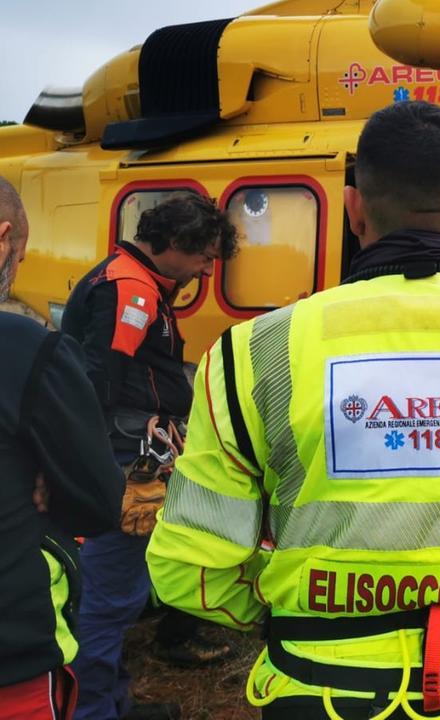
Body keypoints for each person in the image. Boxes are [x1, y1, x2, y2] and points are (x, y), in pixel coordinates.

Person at [146, 101, 440, 719]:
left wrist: (294, 602)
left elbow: (191, 568)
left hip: (319, 686)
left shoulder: (251, 354)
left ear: (352, 209)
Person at [63, 193, 237, 720]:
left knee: (113, 594)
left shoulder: (130, 280)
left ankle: (113, 699)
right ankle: (94, 710)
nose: (208, 270)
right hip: (123, 462)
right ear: (174, 244)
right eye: (204, 257)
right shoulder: (131, 291)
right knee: (108, 596)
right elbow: (100, 382)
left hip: (127, 455)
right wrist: (99, 468)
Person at [0, 178, 124, 719]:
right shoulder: (24, 348)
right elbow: (100, 500)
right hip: (13, 661)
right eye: (20, 258)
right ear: (2, 240)